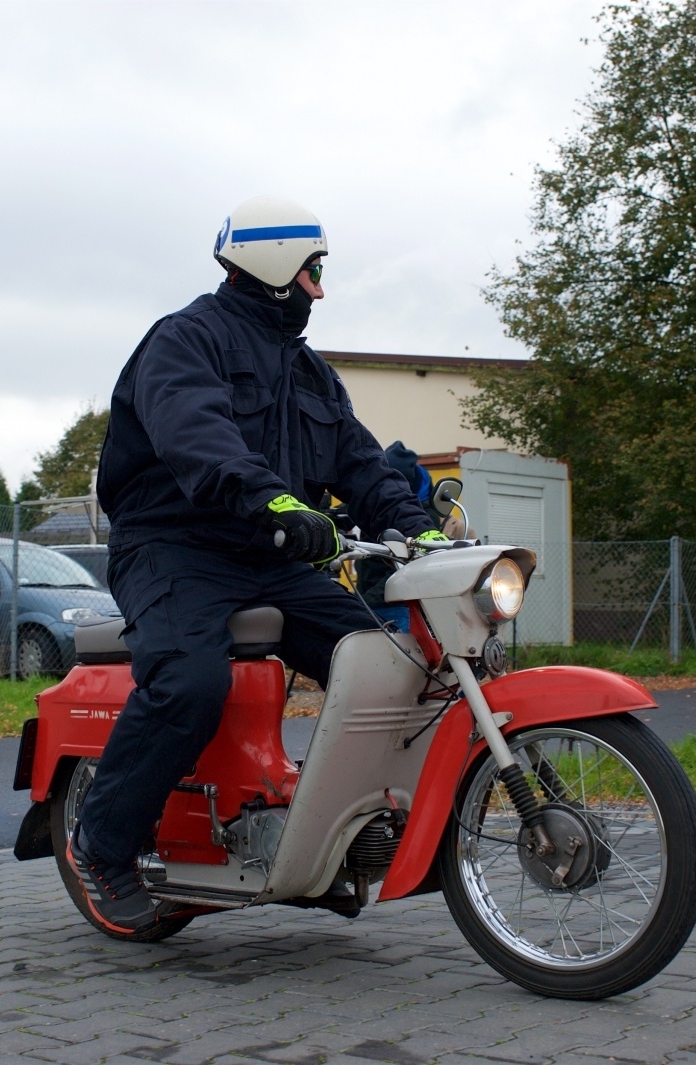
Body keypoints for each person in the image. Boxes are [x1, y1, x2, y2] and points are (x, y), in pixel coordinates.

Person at [68, 195, 447, 934]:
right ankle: (102, 844)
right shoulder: (183, 342)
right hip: (172, 549)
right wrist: (276, 505)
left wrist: (418, 528)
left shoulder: (310, 375)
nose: (320, 288)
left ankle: (333, 838)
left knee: (388, 660)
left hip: (268, 557)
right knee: (189, 682)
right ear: (276, 265)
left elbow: (363, 464)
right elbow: (200, 441)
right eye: (314, 271)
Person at [355, 441, 450, 630]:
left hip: (397, 605)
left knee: (401, 657)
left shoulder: (422, 519)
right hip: (371, 601)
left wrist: (365, 601)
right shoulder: (379, 504)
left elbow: (408, 569)